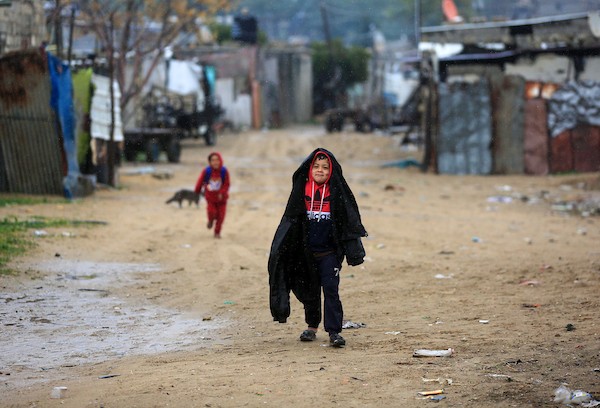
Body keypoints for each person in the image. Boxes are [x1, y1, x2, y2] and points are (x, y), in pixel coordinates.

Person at [268, 148, 367, 348]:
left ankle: (334, 331)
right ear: (309, 169)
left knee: (331, 290)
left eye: (325, 167)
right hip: (306, 253)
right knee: (310, 291)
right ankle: (312, 327)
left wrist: (353, 252)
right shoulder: (301, 191)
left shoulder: (336, 193)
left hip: (330, 253)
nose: (320, 170)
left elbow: (348, 222)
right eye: (316, 167)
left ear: (332, 171)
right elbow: (289, 222)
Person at [194, 151, 230, 239]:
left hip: (222, 199)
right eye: (213, 160)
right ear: (210, 162)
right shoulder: (207, 171)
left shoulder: (224, 171)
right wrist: (196, 191)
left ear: (220, 160)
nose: (215, 162)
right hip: (210, 198)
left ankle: (217, 232)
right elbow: (200, 181)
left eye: (217, 160)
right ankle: (210, 221)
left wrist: (222, 192)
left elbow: (227, 184)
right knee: (211, 212)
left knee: (221, 217)